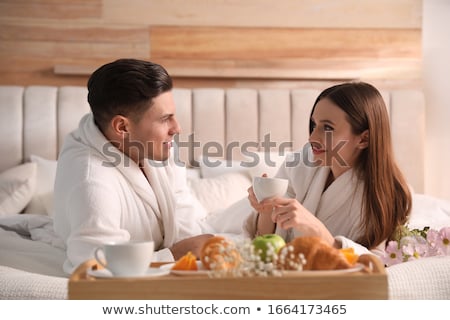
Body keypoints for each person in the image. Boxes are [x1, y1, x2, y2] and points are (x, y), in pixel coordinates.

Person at [53, 58, 212, 274]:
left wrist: (196, 245)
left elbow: (183, 206)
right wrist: (175, 254)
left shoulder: (156, 146)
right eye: (165, 118)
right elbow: (95, 265)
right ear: (122, 126)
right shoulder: (90, 181)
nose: (177, 128)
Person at [245, 82, 412, 255]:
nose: (312, 138)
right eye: (314, 125)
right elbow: (266, 241)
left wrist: (320, 233)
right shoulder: (301, 162)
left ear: (363, 139)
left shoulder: (386, 197)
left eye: (327, 128)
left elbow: (374, 265)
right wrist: (265, 212)